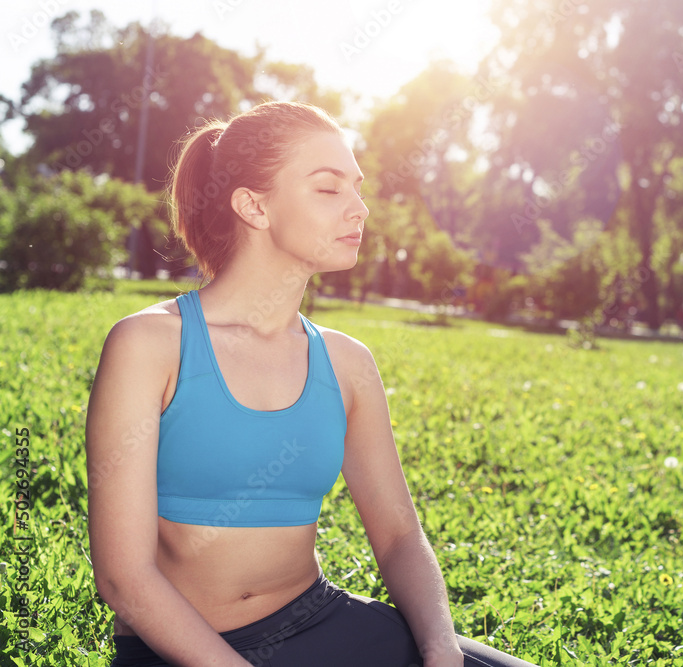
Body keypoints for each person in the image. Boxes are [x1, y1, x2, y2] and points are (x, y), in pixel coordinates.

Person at [85, 100, 536, 667]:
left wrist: (441, 649)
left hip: (319, 622)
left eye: (358, 187)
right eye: (329, 189)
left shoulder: (348, 363)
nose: (360, 208)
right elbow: (125, 578)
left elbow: (398, 537)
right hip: (178, 650)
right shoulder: (149, 345)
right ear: (254, 206)